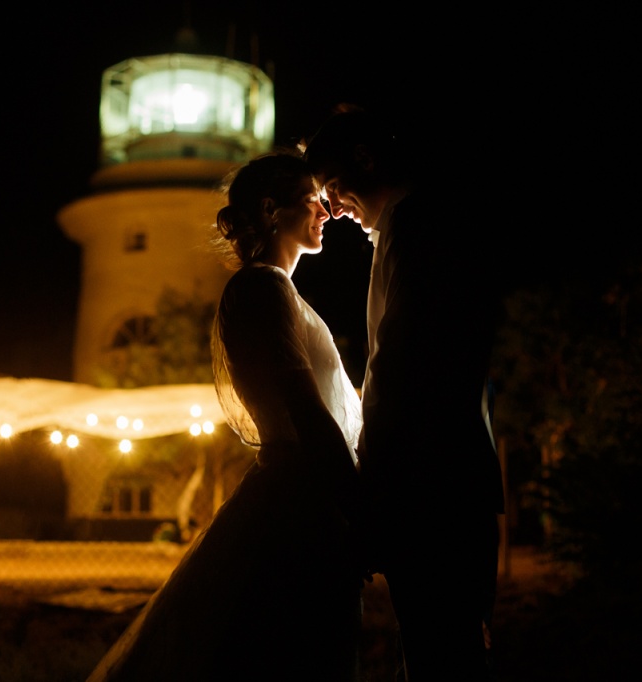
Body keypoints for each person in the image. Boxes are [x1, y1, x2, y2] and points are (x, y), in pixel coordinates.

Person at [86, 151, 366, 682]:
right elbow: (306, 412)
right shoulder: (262, 289)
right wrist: (361, 511)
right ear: (271, 209)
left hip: (309, 497)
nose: (326, 211)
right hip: (299, 505)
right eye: (311, 199)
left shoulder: (279, 290)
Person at [303, 108, 505, 681]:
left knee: (441, 647)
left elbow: (402, 365)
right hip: (443, 478)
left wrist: (372, 483)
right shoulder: (416, 223)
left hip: (431, 483)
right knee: (444, 645)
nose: (330, 208)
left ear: (365, 160)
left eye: (332, 187)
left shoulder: (418, 225)